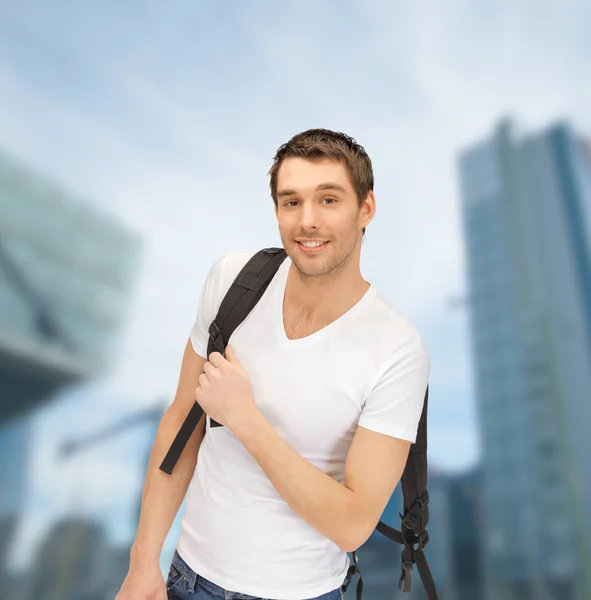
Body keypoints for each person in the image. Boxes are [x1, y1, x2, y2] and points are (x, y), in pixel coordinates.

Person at [115, 129, 430, 600]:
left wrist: (245, 419)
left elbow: (352, 525)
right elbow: (182, 423)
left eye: (328, 200)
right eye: (291, 202)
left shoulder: (397, 350)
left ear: (366, 208)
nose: (308, 221)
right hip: (185, 578)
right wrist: (143, 563)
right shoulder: (233, 282)